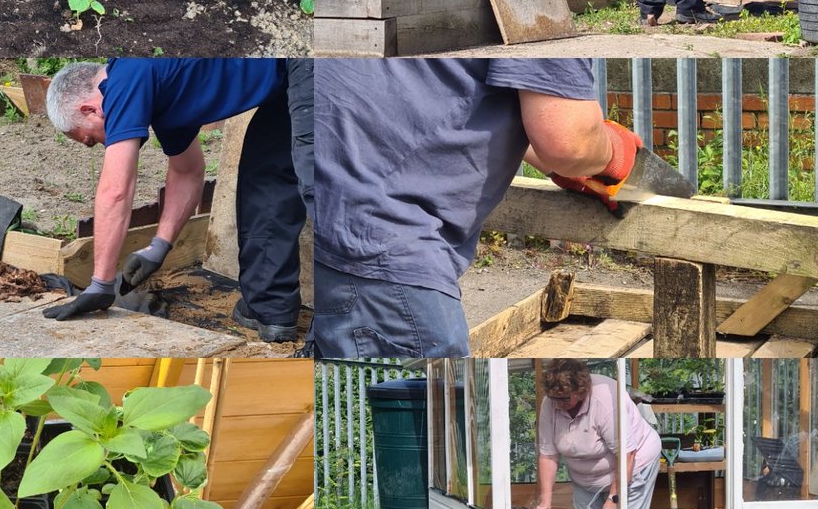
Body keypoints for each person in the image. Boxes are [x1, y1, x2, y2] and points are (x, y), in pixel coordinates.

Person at [313, 59, 642, 358]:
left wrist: (566, 164)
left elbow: (449, 90)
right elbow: (569, 143)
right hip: (385, 246)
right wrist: (613, 154)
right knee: (433, 415)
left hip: (335, 211)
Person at [43, 58, 312, 342]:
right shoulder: (161, 97)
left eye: (91, 139)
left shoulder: (125, 77)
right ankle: (271, 311)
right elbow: (188, 172)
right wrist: (158, 247)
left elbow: (116, 190)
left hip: (311, 62)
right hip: (287, 78)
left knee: (321, 177)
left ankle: (338, 334)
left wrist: (100, 283)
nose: (99, 145)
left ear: (91, 110)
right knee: (266, 179)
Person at [532, 358, 662, 509]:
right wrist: (545, 503)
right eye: (555, 398)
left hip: (634, 464)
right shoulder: (550, 404)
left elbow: (627, 454)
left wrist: (613, 499)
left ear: (581, 390)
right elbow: (548, 453)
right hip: (585, 477)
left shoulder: (605, 399)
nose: (559, 404)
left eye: (565, 398)